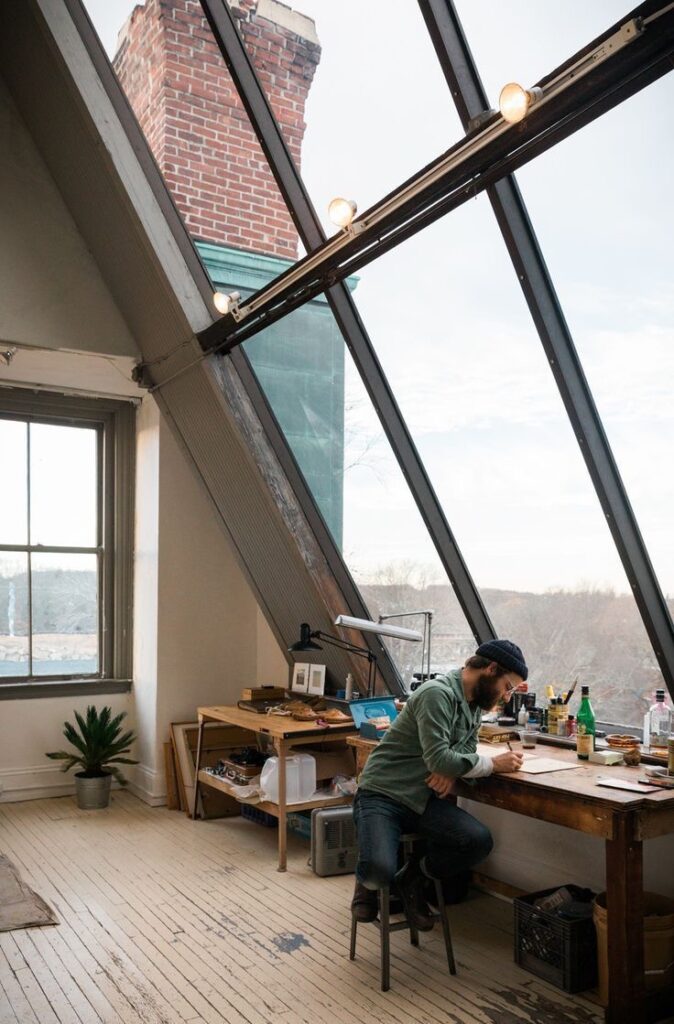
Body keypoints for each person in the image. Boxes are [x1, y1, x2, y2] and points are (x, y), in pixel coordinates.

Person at [351, 639, 527, 928]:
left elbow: (460, 755)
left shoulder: (474, 706)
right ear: (491, 669)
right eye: (507, 686)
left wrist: (451, 770)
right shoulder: (437, 694)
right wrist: (492, 764)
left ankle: (412, 879)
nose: (507, 697)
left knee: (477, 841)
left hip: (421, 799)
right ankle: (367, 883)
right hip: (382, 793)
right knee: (377, 872)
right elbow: (441, 760)